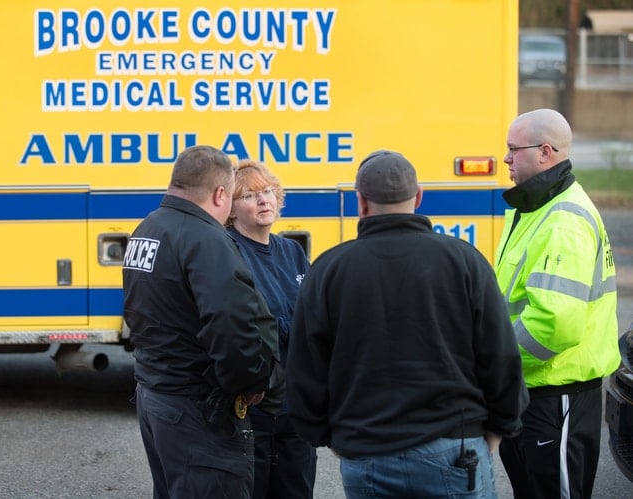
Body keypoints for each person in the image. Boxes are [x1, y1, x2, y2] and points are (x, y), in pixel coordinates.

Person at [286, 149, 529, 498]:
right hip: (455, 449)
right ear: (418, 197)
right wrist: (500, 426)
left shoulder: (328, 269)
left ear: (360, 202)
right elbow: (501, 355)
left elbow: (305, 367)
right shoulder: (464, 261)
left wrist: (327, 435)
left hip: (366, 452)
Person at [122, 145, 279, 498]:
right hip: (196, 407)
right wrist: (251, 381)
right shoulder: (205, 238)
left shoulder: (148, 228)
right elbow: (231, 326)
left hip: (157, 395)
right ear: (221, 193)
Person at [495, 108, 621, 499]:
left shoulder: (562, 221)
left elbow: (554, 325)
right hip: (536, 394)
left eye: (514, 150)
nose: (506, 159)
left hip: (555, 396)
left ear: (545, 152)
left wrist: (493, 361)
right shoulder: (535, 207)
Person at [225, 159, 316, 499]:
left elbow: (312, 317)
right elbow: (242, 328)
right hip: (255, 406)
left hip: (297, 406)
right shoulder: (228, 251)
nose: (263, 200)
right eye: (249, 195)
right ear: (231, 210)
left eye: (268, 192)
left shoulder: (291, 251)